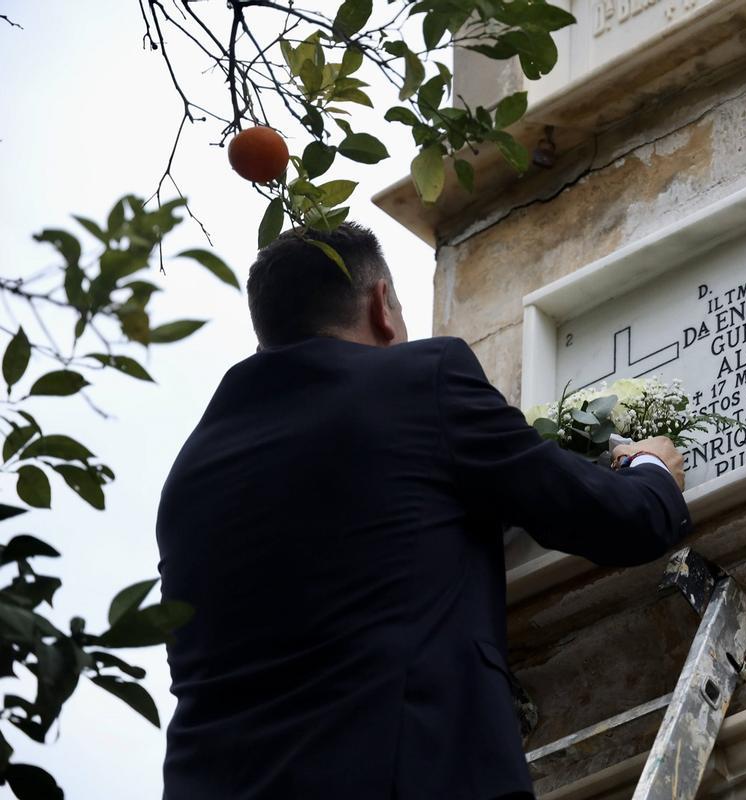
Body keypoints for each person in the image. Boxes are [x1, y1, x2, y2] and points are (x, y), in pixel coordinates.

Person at [156, 222, 692, 799]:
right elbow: (612, 520)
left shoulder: (187, 479)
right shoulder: (418, 381)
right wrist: (653, 472)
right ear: (382, 305)